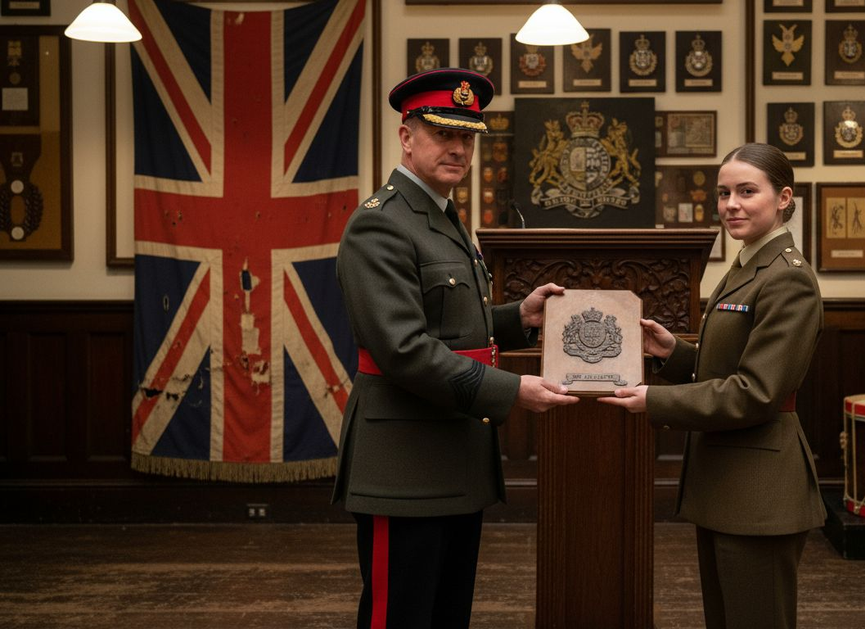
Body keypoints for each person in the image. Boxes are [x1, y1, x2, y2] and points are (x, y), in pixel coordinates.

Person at [332, 68, 578, 629]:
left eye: (467, 137)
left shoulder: (439, 216)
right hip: (406, 467)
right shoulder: (381, 225)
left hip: (453, 461)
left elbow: (452, 326)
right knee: (402, 618)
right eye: (443, 133)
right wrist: (513, 390)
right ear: (406, 136)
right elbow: (405, 350)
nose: (458, 148)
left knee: (446, 616)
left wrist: (519, 319)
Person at [601, 142, 825, 629]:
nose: (731, 205)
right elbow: (726, 366)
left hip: (761, 491)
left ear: (784, 198)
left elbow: (757, 392)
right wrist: (674, 353)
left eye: (747, 191)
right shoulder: (747, 265)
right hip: (727, 483)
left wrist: (654, 400)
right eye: (724, 193)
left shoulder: (788, 279)